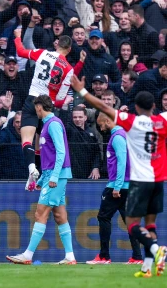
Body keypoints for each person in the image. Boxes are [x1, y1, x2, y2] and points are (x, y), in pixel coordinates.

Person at [71, 74, 167, 277]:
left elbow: (104, 107)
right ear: (154, 106)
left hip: (133, 182)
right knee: (146, 223)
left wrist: (82, 90)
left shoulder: (129, 124)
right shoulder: (161, 121)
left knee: (125, 222)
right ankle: (146, 264)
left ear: (137, 107)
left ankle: (153, 250)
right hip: (156, 180)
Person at [6, 95, 76, 265]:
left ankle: (28, 255)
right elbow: (51, 157)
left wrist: (53, 176)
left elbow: (61, 153)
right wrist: (42, 179)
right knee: (59, 216)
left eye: (35, 107)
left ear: (38, 107)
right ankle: (70, 257)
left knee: (40, 213)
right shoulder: (49, 125)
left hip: (57, 176)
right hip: (55, 175)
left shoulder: (53, 124)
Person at [14, 29, 73, 190]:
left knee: (27, 139)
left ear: (57, 44)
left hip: (32, 99)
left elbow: (20, 51)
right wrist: (64, 101)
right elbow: (59, 100)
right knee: (42, 142)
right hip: (47, 106)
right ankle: (41, 174)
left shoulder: (43, 54)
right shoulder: (68, 69)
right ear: (69, 49)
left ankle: (32, 169)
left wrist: (18, 37)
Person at [86, 112, 143, 265]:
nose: (100, 126)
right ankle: (137, 257)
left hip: (118, 187)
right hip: (129, 185)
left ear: (107, 120)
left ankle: (104, 256)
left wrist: (117, 186)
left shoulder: (117, 136)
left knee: (103, 217)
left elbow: (122, 162)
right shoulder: (124, 134)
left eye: (100, 124)